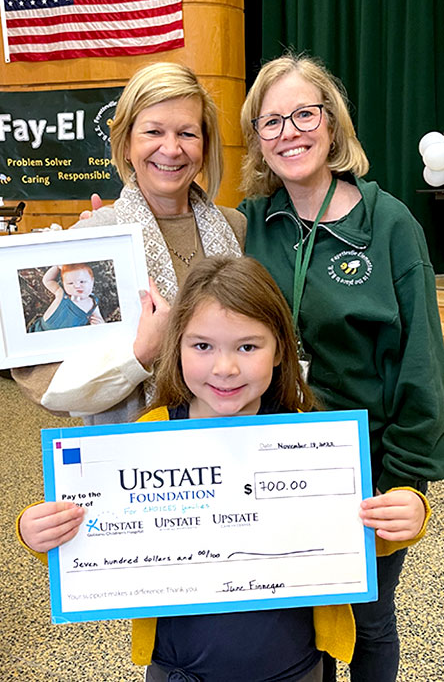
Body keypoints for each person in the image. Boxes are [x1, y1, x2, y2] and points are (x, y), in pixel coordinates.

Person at [17, 256, 430, 682]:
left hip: (295, 667)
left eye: (247, 347)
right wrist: (37, 532)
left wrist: (406, 513)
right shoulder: (146, 437)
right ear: (176, 348)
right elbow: (93, 533)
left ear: (279, 351)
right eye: (202, 346)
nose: (225, 368)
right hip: (180, 669)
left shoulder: (310, 438)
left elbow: (355, 537)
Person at [237, 53, 444, 682]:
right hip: (271, 466)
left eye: (303, 113)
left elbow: (422, 364)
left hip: (367, 472)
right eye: (270, 122)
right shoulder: (248, 227)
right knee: (296, 620)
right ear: (257, 140)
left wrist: (409, 483)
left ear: (332, 124)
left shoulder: (389, 225)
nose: (288, 132)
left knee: (369, 620)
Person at [12, 62, 245, 424]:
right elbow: (44, 383)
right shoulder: (95, 237)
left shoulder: (236, 228)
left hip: (230, 438)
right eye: (153, 131)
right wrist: (139, 355)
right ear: (125, 145)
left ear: (205, 146)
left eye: (187, 133)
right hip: (129, 456)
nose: (171, 149)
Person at [29, 263, 104, 332]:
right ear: (64, 284)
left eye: (82, 282)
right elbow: (47, 280)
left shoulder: (92, 303)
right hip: (42, 330)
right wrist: (57, 267)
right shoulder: (61, 293)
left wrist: (101, 324)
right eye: (70, 283)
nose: (77, 286)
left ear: (92, 281)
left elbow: (99, 319)